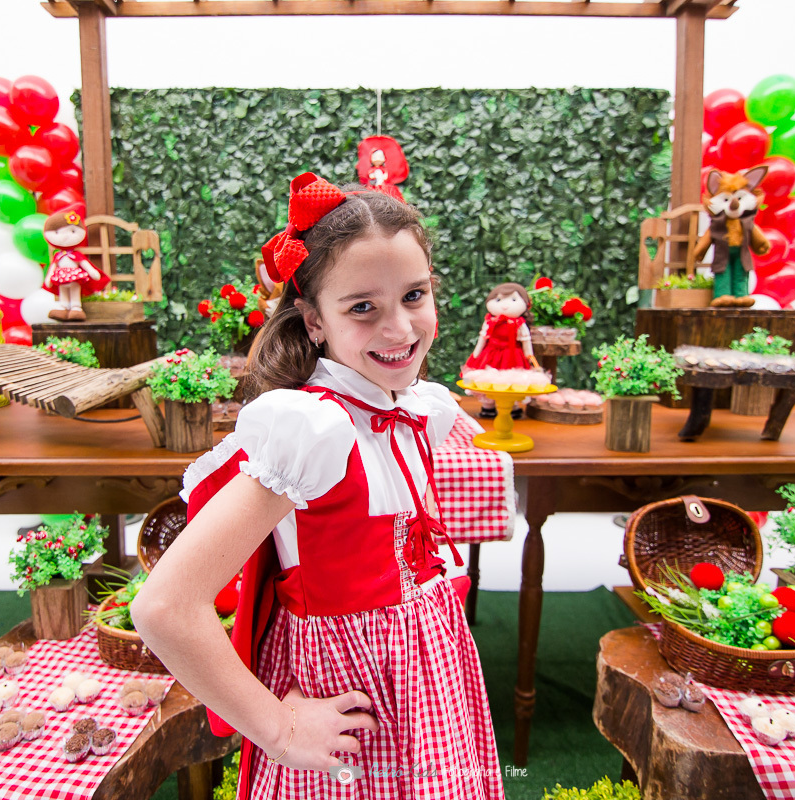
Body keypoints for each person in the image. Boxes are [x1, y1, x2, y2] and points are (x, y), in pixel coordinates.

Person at [132, 172, 505, 800]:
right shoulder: (314, 431)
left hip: (428, 681)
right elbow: (163, 607)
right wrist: (279, 729)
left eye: (414, 295)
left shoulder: (414, 407)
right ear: (313, 322)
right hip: (350, 693)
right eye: (363, 307)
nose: (400, 329)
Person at [462, 282, 539, 418]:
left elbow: (526, 341)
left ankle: (513, 406)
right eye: (498, 300)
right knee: (488, 379)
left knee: (513, 381)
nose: (505, 304)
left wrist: (529, 356)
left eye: (514, 300)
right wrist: (476, 354)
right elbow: (483, 338)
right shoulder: (490, 322)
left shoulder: (519, 324)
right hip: (490, 355)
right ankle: (488, 406)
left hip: (513, 356)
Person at [42, 207, 109, 320]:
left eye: (72, 231)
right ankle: (63, 306)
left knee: (74, 289)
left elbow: (85, 264)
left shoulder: (76, 255)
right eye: (58, 232)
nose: (65, 236)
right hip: (61, 278)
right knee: (63, 290)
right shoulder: (58, 256)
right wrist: (48, 279)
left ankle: (76, 307)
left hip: (74, 277)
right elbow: (52, 267)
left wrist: (93, 272)